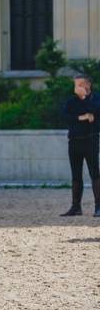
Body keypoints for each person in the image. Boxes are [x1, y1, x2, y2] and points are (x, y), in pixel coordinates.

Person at [61, 74, 100, 216]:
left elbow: (95, 111)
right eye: (75, 85)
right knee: (76, 175)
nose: (75, 88)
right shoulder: (71, 101)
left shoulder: (96, 99)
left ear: (86, 86)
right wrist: (82, 117)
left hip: (91, 141)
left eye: (78, 85)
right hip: (74, 142)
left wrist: (84, 101)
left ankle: (98, 207)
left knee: (95, 173)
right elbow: (65, 116)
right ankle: (76, 207)